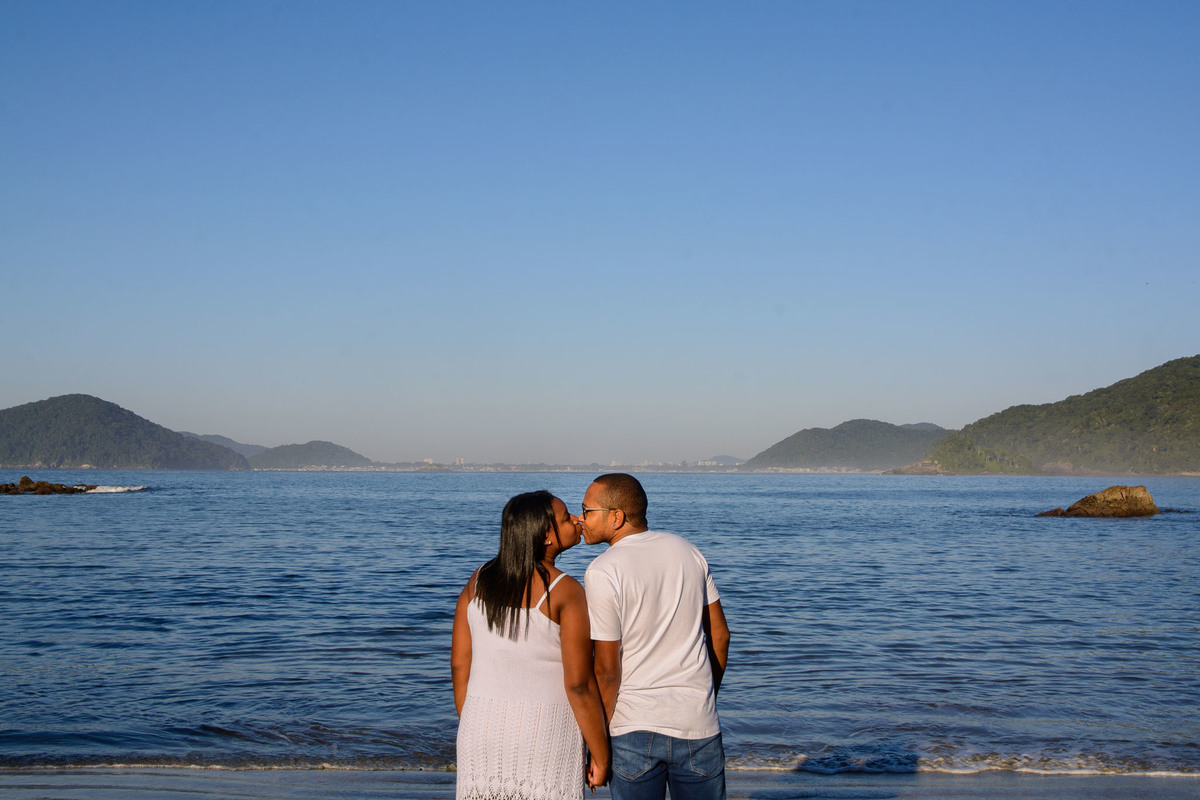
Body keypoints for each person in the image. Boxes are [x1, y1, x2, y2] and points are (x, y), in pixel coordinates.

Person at [580, 473, 731, 800]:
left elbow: (607, 671)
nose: (581, 520)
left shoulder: (603, 570)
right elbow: (719, 635)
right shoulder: (689, 552)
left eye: (587, 510)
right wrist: (705, 695)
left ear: (616, 517)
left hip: (634, 727)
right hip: (698, 723)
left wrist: (598, 741)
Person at [451, 491, 610, 799]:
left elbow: (460, 665)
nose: (577, 519)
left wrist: (473, 718)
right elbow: (579, 685)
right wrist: (600, 755)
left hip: (479, 729)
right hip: (544, 734)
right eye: (566, 518)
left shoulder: (478, 580)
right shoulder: (565, 590)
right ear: (545, 536)